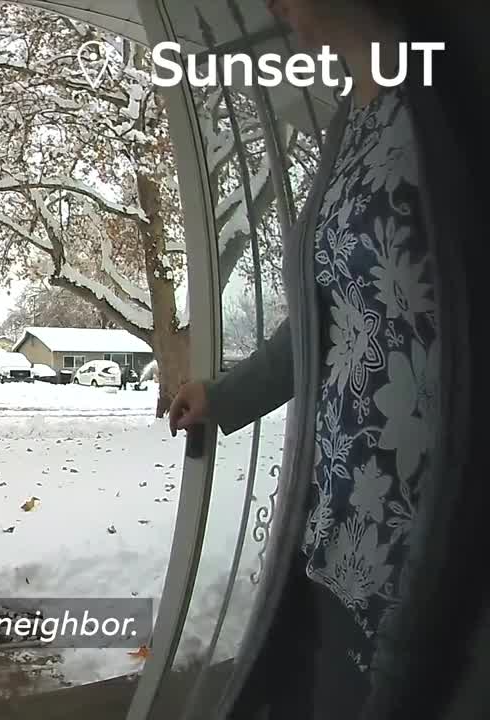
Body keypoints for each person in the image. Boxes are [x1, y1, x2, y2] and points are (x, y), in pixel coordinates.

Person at [166, 0, 441, 717]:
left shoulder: (449, 97)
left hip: (429, 531)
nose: (272, 6)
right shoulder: (358, 110)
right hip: (338, 518)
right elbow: (328, 310)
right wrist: (226, 394)